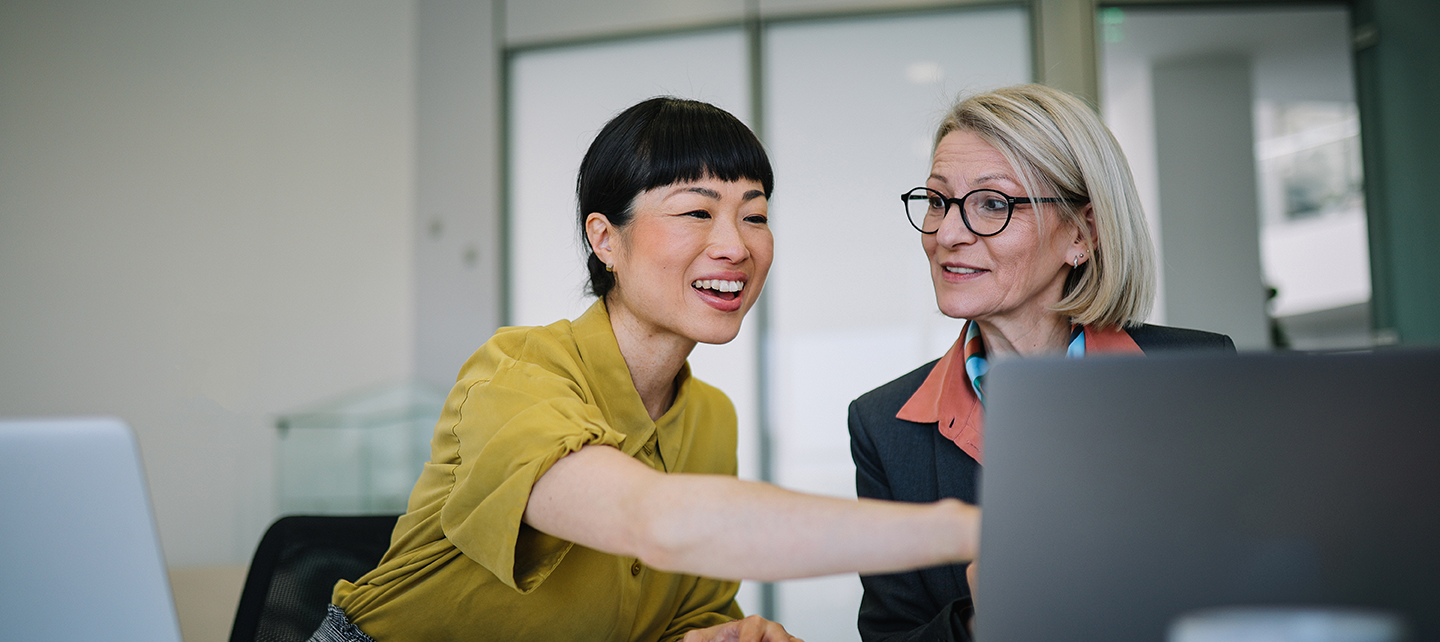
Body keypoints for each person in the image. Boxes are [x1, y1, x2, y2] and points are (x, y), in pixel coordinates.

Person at [309, 97, 980, 642]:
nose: (736, 246)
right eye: (696, 212)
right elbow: (652, 520)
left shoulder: (710, 416)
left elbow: (683, 608)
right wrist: (972, 530)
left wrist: (719, 636)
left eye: (756, 215)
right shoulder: (515, 372)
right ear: (605, 240)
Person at [847, 84, 1236, 642]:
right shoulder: (885, 425)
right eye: (937, 201)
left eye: (992, 204)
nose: (948, 234)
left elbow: (1260, 591)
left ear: (1082, 233)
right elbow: (892, 636)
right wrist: (981, 619)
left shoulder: (1199, 375)